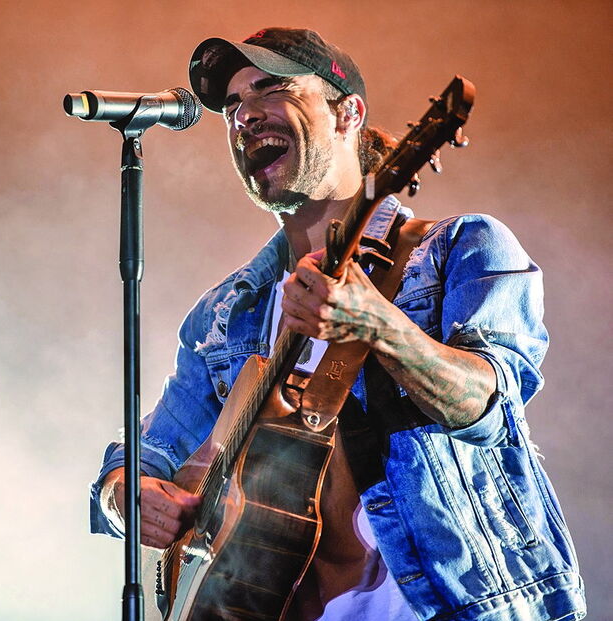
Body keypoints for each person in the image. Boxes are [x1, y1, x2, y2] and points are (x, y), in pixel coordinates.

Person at [89, 27, 586, 621]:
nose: (246, 115)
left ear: (348, 112)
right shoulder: (226, 314)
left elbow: (490, 405)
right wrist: (125, 494)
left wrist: (380, 325)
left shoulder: (459, 247)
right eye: (232, 106)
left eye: (271, 89)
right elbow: (147, 454)